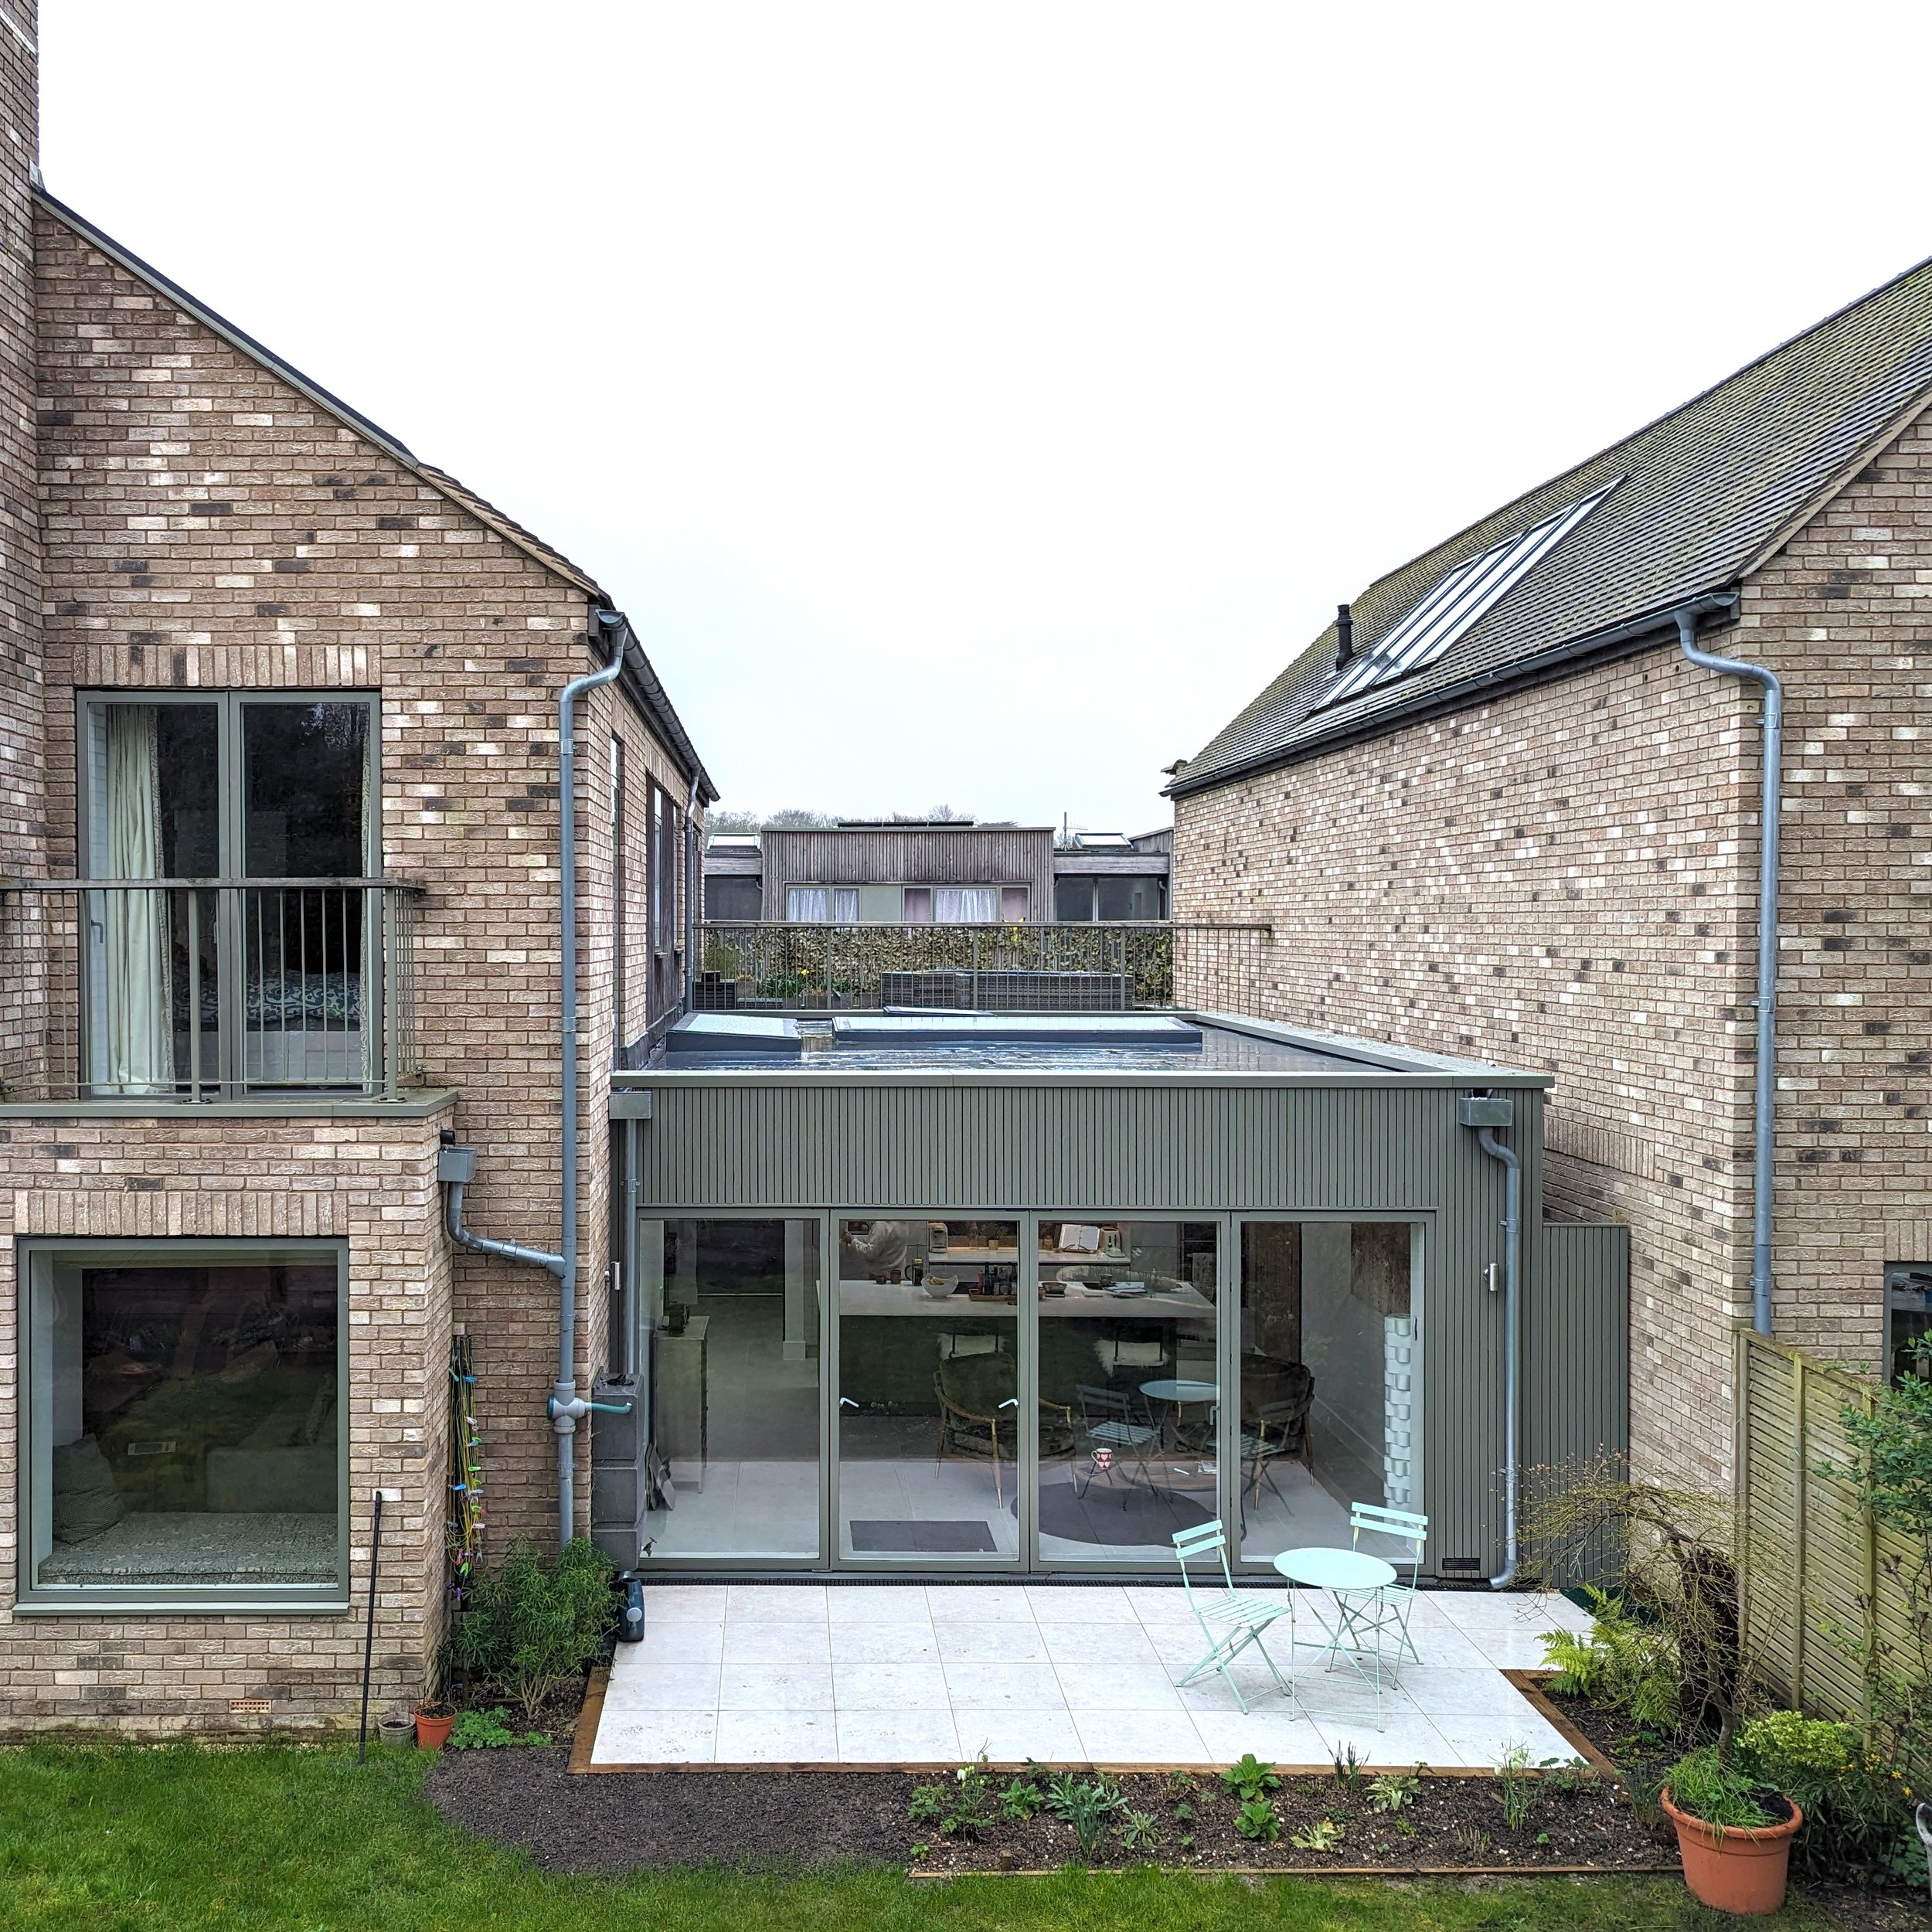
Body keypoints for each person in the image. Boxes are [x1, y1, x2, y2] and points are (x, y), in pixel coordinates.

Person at [842, 1219, 913, 1277]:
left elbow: (869, 1253)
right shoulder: (903, 1222)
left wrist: (853, 1241)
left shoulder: (881, 1226)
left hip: (880, 1277)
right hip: (898, 1276)